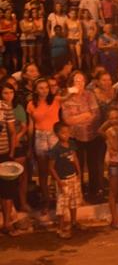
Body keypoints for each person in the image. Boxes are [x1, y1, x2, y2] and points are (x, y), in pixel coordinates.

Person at [61, 71, 104, 203]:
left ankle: (94, 192)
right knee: (76, 165)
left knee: (93, 165)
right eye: (76, 80)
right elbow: (67, 120)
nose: (80, 83)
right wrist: (85, 115)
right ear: (71, 82)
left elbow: (96, 115)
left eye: (82, 80)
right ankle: (78, 192)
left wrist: (78, 118)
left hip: (92, 135)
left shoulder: (89, 95)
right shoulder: (66, 97)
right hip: (75, 137)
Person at [27, 78, 61, 219]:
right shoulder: (31, 104)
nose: (44, 90)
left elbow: (69, 96)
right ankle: (46, 201)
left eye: (46, 87)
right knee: (42, 172)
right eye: (41, 88)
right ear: (36, 90)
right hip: (40, 136)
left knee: (56, 169)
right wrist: (30, 145)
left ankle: (60, 200)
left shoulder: (56, 100)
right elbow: (30, 126)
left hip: (53, 135)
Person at [49, 121, 83, 239]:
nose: (66, 135)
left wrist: (79, 172)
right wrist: (58, 181)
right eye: (63, 133)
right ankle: (61, 228)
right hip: (63, 180)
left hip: (73, 177)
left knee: (74, 201)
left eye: (68, 132)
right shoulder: (55, 150)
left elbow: (75, 158)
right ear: (57, 134)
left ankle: (74, 222)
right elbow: (51, 168)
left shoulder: (72, 144)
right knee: (62, 205)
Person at [2, 80, 30, 212]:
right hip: (5, 147)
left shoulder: (16, 108)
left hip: (14, 147)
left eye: (11, 92)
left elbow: (21, 128)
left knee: (19, 177)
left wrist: (15, 142)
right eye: (5, 93)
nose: (9, 96)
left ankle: (22, 204)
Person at [0, 86, 17, 236]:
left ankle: (6, 223)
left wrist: (11, 152)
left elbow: (12, 131)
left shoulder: (5, 107)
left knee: (7, 190)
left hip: (4, 153)